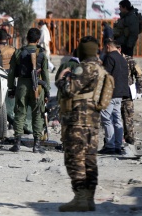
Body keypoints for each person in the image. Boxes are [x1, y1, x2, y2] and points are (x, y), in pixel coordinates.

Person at [55, 36, 105, 212]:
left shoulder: (83, 69)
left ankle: (80, 198)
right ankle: (89, 198)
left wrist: (61, 80)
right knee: (90, 160)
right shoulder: (101, 69)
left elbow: (69, 90)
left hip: (77, 121)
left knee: (75, 159)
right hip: (93, 122)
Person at [7, 27, 50, 154]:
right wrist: (47, 90)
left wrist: (11, 88)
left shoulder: (19, 52)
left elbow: (11, 73)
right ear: (38, 40)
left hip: (22, 85)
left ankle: (17, 144)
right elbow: (46, 74)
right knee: (38, 113)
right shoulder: (42, 54)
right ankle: (36, 145)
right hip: (38, 86)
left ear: (27, 38)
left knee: (20, 112)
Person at [98, 40, 130, 155]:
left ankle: (110, 145)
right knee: (117, 119)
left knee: (106, 118)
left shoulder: (110, 57)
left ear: (108, 46)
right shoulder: (122, 59)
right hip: (120, 93)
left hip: (110, 93)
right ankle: (118, 145)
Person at [121, 50, 142, 145]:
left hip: (127, 94)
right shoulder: (110, 59)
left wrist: (139, 89)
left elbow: (139, 74)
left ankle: (129, 139)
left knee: (128, 118)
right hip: (115, 95)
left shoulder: (129, 60)